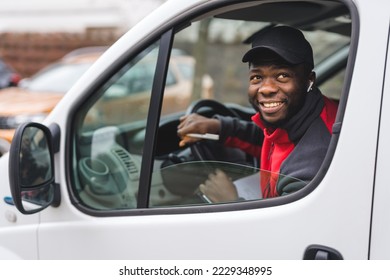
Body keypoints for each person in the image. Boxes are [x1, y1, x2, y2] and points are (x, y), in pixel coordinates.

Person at [177, 25, 338, 203]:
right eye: (257, 77)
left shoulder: (310, 165)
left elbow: (287, 229)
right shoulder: (303, 115)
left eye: (282, 75)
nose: (266, 89)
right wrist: (219, 127)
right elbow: (268, 139)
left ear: (309, 80)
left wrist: (231, 201)